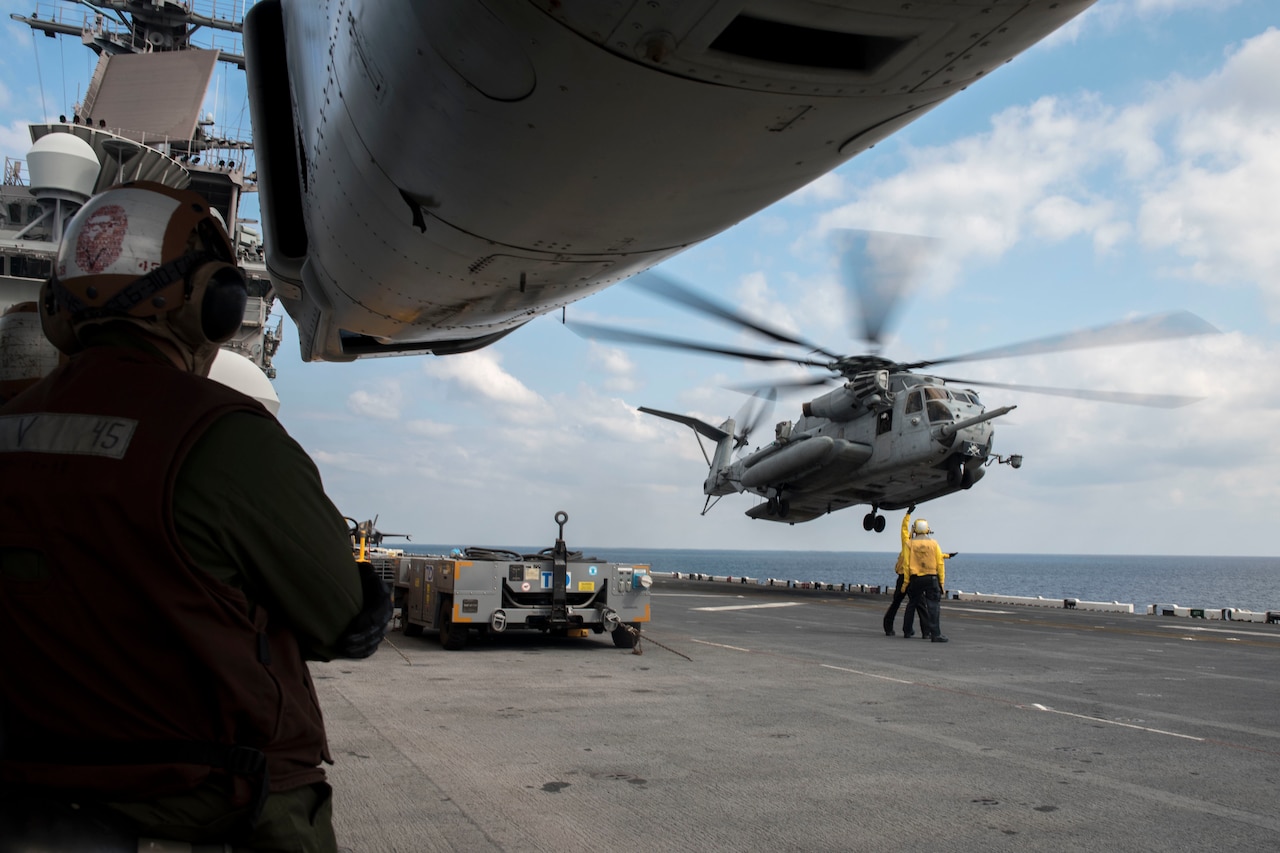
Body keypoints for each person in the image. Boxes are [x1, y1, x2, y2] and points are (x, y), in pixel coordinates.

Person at [0, 181, 392, 852]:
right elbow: (339, 615)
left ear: (56, 311)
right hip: (204, 806)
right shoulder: (221, 437)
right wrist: (370, 597)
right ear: (215, 307)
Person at [899, 511, 949, 643]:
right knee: (933, 607)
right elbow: (940, 563)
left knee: (912, 605)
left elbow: (906, 565)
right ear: (927, 529)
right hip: (931, 578)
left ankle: (907, 631)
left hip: (916, 578)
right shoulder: (934, 544)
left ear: (915, 530)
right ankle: (935, 634)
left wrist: (905, 584)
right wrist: (941, 583)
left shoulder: (909, 544)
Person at [883, 507, 928, 637]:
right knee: (920, 605)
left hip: (903, 576)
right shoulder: (926, 545)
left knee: (896, 603)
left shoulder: (907, 542)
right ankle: (926, 632)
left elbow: (903, 528)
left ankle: (888, 628)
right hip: (915, 578)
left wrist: (908, 514)